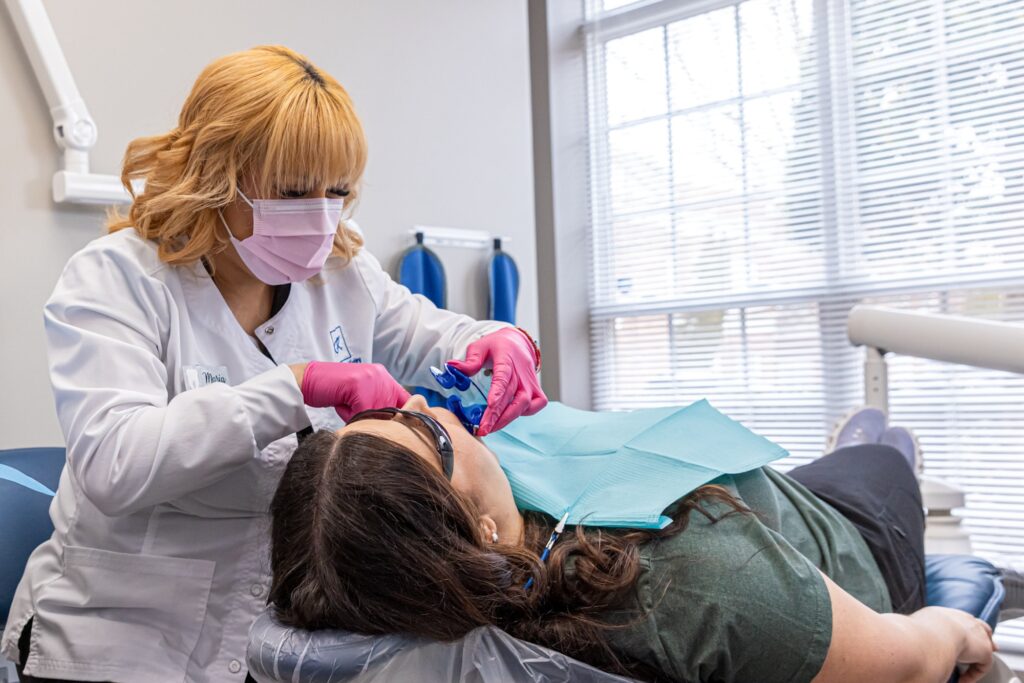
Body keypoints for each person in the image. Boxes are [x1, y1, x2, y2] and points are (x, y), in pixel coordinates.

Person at [1, 46, 546, 683]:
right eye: (291, 191)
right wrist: (297, 386)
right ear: (215, 172)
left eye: (337, 191)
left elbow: (432, 332)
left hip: (272, 639)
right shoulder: (117, 278)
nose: (320, 214)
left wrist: (503, 340)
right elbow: (115, 464)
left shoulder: (342, 272)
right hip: (117, 638)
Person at [268, 399, 997, 683]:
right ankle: (882, 445)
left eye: (398, 407)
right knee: (881, 460)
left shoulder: (453, 568)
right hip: (848, 550)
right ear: (482, 528)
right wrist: (952, 628)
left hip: (764, 507)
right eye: (426, 429)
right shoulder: (703, 582)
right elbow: (904, 662)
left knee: (833, 461)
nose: (428, 405)